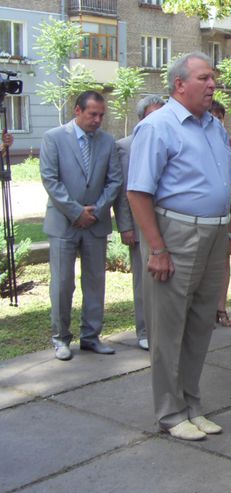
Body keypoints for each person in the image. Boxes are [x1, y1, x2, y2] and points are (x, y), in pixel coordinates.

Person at [127, 52, 231, 441]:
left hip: (214, 233)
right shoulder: (157, 127)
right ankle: (170, 414)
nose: (212, 85)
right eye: (204, 78)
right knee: (169, 329)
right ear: (179, 84)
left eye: (213, 78)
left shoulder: (213, 127)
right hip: (176, 235)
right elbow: (138, 192)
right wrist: (157, 248)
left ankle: (191, 404)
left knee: (200, 325)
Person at [40, 90, 123, 361]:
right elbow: (50, 179)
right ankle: (60, 338)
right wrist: (76, 212)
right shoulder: (54, 138)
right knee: (62, 284)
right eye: (92, 114)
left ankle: (91, 336)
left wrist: (96, 211)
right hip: (64, 223)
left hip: (95, 224)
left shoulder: (108, 142)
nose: (98, 120)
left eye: (101, 115)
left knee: (95, 283)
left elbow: (114, 181)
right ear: (77, 111)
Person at [114, 95, 165, 351]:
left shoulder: (168, 138)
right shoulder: (125, 146)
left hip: (167, 222)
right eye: (152, 115)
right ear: (141, 118)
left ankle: (163, 329)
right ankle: (144, 330)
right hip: (138, 223)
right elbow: (125, 190)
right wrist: (126, 226)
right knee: (142, 279)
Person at [209, 99, 231, 328]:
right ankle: (204, 310)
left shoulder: (230, 144)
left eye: (219, 116)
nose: (216, 120)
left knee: (224, 260)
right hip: (203, 215)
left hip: (227, 212)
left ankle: (221, 307)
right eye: (212, 115)